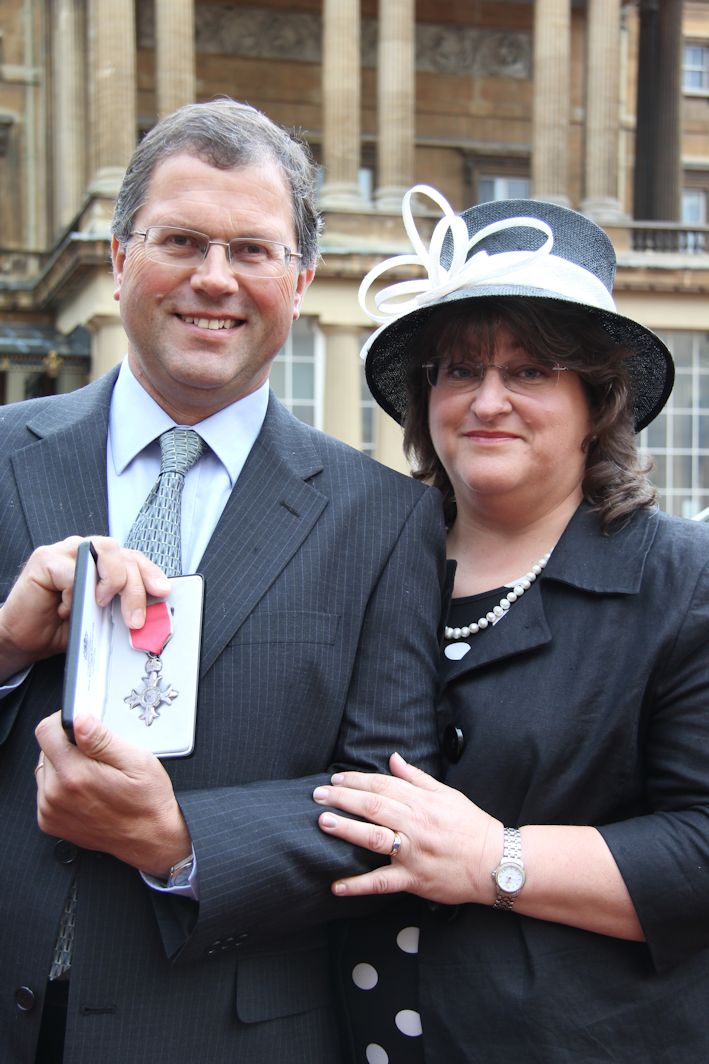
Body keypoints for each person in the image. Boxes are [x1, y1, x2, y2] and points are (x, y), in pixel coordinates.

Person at [0, 106, 446, 1064]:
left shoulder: (386, 519)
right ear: (120, 257)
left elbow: (385, 799)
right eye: (181, 241)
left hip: (217, 1032)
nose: (214, 278)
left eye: (252, 248)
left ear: (299, 280)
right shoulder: (2, 458)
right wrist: (2, 649)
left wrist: (178, 839)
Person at [313, 185, 709, 1063]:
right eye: (460, 370)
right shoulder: (358, 557)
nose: (487, 399)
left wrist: (497, 857)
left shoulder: (680, 581)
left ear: (596, 399)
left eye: (528, 370)